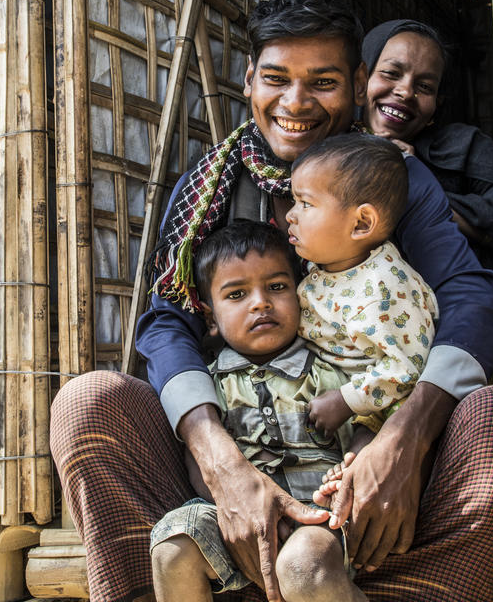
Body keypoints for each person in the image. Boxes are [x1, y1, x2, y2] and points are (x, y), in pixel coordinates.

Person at [51, 0, 493, 602]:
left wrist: (405, 440)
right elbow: (166, 322)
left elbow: (472, 296)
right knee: (89, 402)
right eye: (276, 79)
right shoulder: (206, 188)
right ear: (247, 81)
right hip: (228, 477)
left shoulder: (386, 176)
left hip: (365, 477)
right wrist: (218, 459)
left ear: (358, 82)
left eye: (323, 81)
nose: (295, 103)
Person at [149, 221, 370, 602]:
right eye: (237, 294)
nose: (260, 302)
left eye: (277, 287)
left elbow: (365, 426)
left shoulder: (328, 372)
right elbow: (199, 461)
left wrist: (355, 469)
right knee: (172, 546)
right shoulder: (208, 384)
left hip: (316, 517)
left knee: (303, 565)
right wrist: (229, 508)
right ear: (210, 319)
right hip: (231, 519)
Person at [285, 133, 437, 437]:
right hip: (324, 387)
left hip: (376, 407)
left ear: (361, 224)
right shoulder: (331, 262)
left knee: (370, 442)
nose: (291, 215)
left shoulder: (384, 290)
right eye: (294, 202)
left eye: (305, 204)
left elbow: (407, 368)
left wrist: (346, 401)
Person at [361, 20, 493, 276]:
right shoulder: (327, 150)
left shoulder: (466, 146)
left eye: (425, 87)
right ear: (360, 81)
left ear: (436, 106)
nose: (406, 92)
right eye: (391, 73)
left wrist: (412, 180)